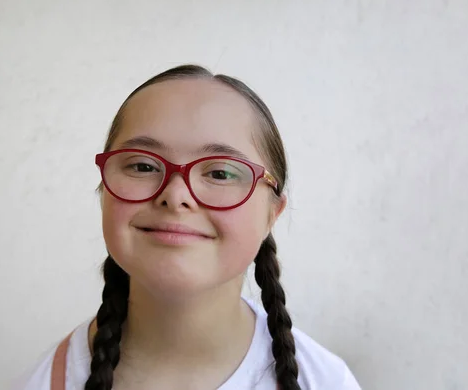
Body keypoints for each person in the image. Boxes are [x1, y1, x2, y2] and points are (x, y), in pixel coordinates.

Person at [20, 65, 361, 390]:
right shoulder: (48, 380)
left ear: (273, 213)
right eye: (142, 165)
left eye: (220, 173)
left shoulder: (327, 381)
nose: (176, 195)